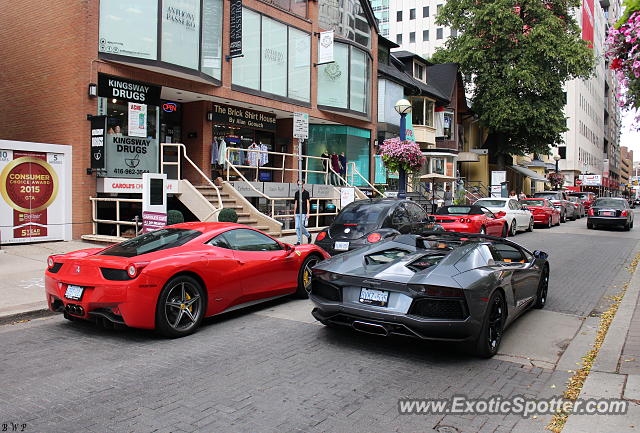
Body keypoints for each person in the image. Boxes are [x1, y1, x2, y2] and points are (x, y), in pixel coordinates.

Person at [293, 181, 311, 245]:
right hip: (297, 212)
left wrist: (308, 213)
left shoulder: (306, 193)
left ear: (303, 184)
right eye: (298, 184)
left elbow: (308, 203)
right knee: (297, 227)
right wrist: (294, 213)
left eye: (301, 184)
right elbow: (295, 203)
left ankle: (308, 235)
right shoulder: (296, 193)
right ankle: (299, 241)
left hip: (303, 212)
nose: (300, 185)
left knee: (301, 226)